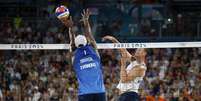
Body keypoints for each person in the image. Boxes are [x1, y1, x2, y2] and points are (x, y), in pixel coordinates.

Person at [58, 9, 106, 101]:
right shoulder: (94, 52)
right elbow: (90, 36)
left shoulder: (74, 57)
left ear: (75, 45)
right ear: (87, 41)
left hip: (85, 93)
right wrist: (86, 22)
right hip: (99, 92)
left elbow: (72, 41)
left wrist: (70, 28)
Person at [103, 36, 147, 101]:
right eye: (137, 49)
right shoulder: (134, 61)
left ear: (144, 53)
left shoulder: (140, 67)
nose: (137, 51)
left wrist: (123, 64)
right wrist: (113, 39)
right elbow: (123, 50)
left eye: (140, 50)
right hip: (125, 95)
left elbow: (124, 79)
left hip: (130, 95)